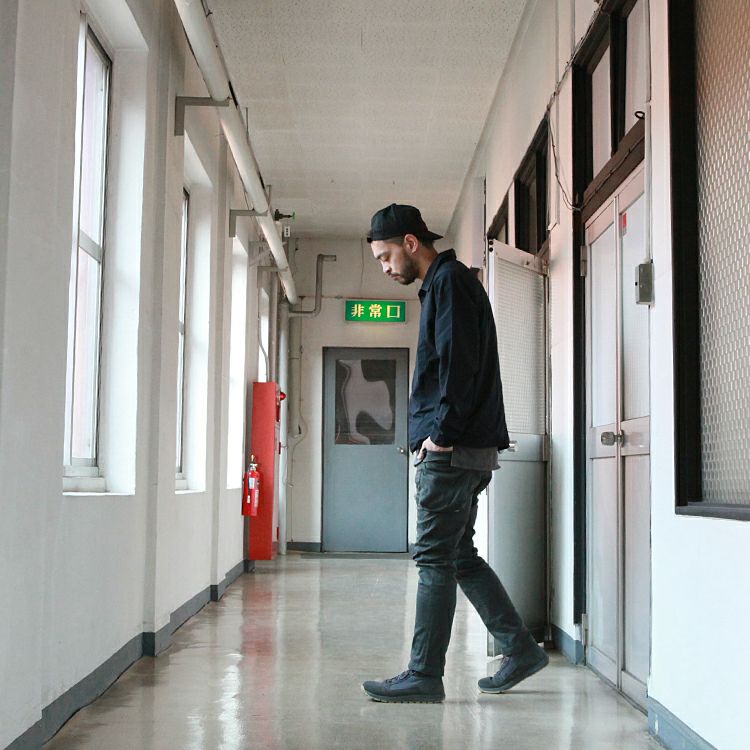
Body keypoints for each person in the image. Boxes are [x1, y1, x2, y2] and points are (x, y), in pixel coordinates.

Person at [361, 204, 548, 703]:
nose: (385, 268)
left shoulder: (448, 283)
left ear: (410, 243)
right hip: (467, 447)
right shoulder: (448, 284)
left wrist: (440, 434)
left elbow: (457, 365)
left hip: (453, 450)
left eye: (385, 257)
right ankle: (519, 648)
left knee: (434, 559)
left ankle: (424, 674)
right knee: (459, 554)